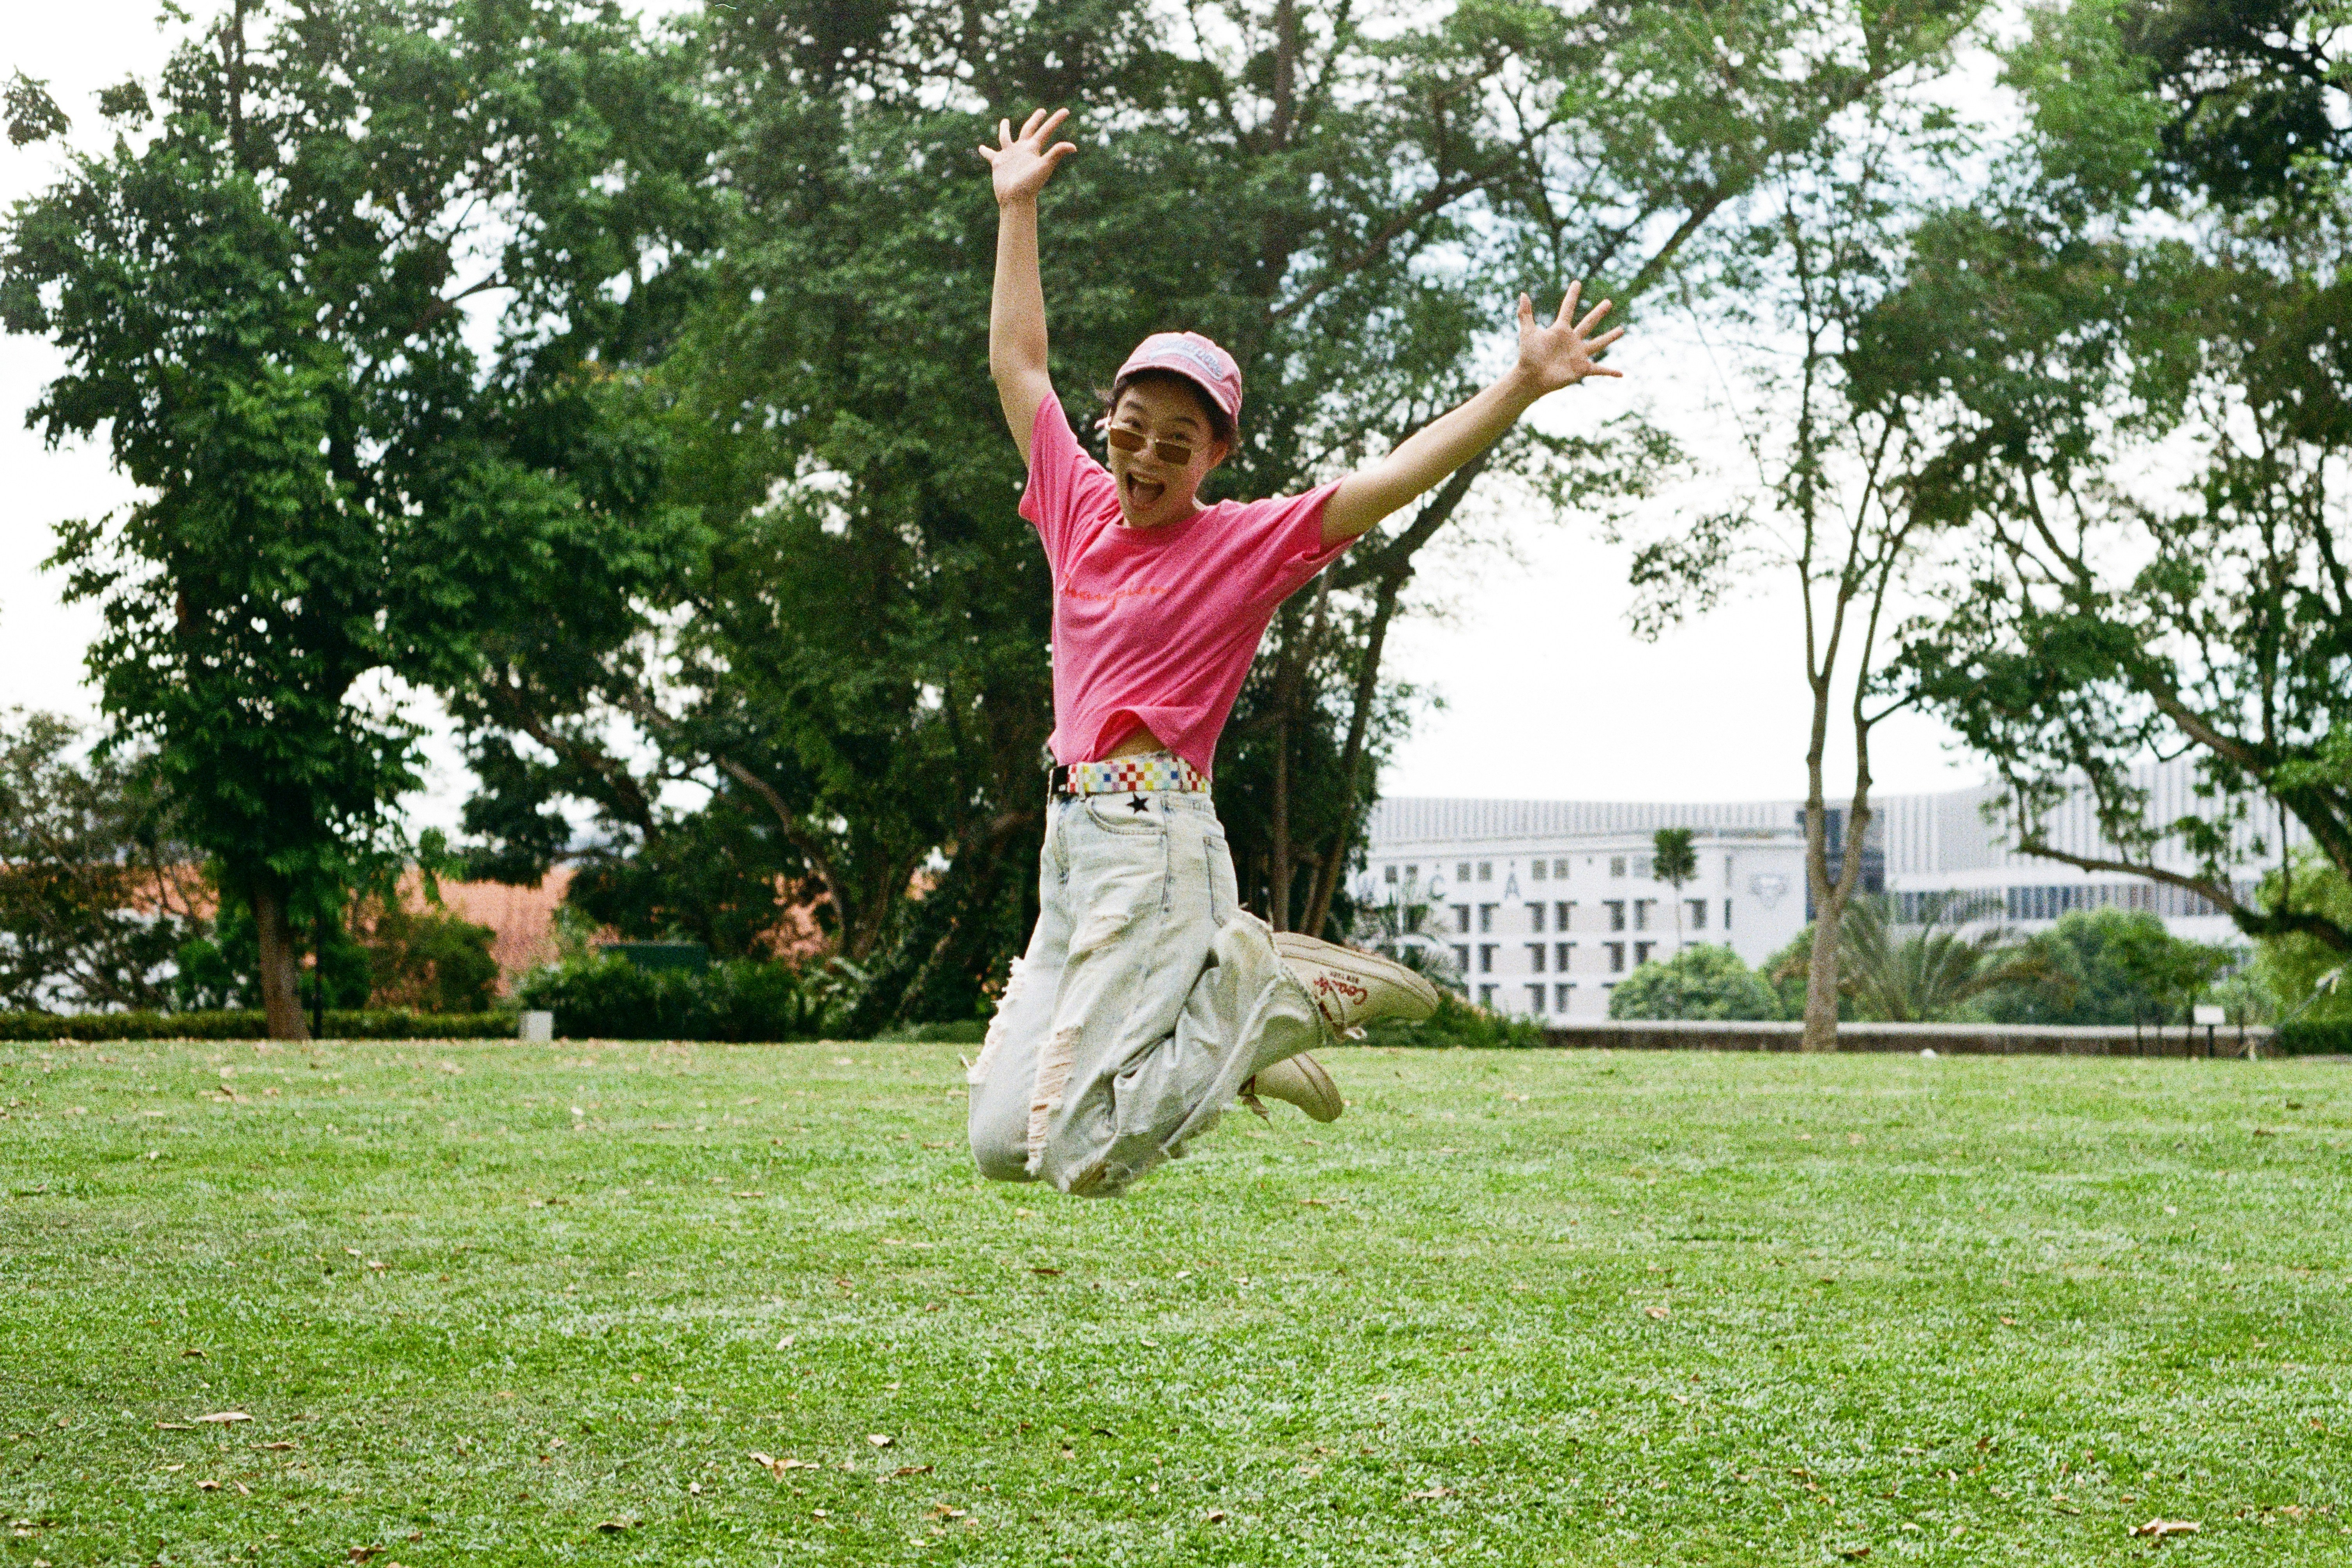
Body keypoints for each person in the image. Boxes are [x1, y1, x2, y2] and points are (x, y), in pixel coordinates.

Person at [965, 107, 1625, 1197]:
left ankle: (1266, 995)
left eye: (1177, 444)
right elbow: (1017, 362)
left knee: (1078, 1155)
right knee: (1002, 1148)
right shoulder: (1075, 503)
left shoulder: (1243, 543)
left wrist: (1517, 385)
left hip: (1156, 839)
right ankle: (1251, 1014)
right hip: (1071, 844)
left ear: (1214, 455)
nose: (1144, 456)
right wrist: (1018, 206)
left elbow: (1397, 475)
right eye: (1130, 428)